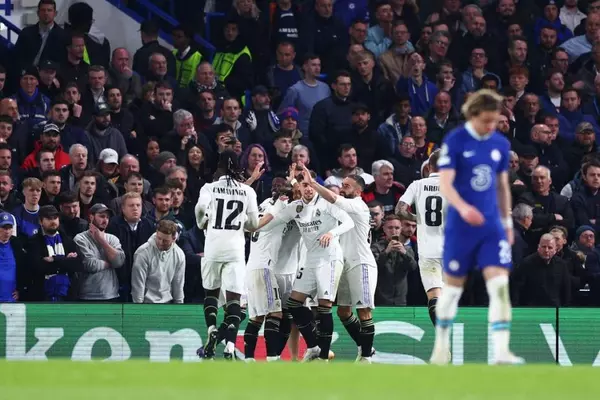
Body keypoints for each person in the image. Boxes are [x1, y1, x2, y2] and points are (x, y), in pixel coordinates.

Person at [431, 89, 523, 365]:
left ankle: (501, 351)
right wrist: (463, 208)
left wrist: (507, 222)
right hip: (461, 227)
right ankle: (441, 346)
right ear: (473, 115)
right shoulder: (455, 140)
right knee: (452, 290)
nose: (491, 126)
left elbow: (502, 186)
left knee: (499, 285)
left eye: (495, 120)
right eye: (486, 120)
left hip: (491, 227)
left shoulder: (500, 143)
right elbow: (445, 184)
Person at [252, 167, 354, 362]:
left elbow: (348, 222)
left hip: (330, 258)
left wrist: (331, 233)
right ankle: (314, 346)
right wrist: (250, 226)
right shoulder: (295, 207)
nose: (308, 189)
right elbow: (270, 223)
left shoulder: (326, 203)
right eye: (304, 185)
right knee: (293, 304)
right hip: (311, 261)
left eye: (311, 185)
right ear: (298, 186)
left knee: (324, 306)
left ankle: (323, 357)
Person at [302, 165, 377, 363]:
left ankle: (366, 358)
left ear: (358, 191)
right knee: (343, 311)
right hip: (343, 263)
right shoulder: (340, 208)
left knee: (364, 311)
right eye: (342, 185)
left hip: (361, 263)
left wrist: (312, 183)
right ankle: (365, 346)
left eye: (347, 186)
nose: (342, 188)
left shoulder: (358, 205)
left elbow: (333, 198)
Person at [195, 150, 260, 360]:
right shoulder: (247, 191)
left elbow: (201, 207)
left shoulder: (209, 187)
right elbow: (254, 223)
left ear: (219, 166)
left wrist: (202, 222)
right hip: (235, 250)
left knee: (211, 294)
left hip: (213, 248)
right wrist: (243, 224)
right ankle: (230, 346)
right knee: (234, 299)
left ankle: (211, 328)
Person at [396, 149, 445, 326]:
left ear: (429, 167)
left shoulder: (417, 185)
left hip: (427, 249)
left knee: (434, 296)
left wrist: (418, 218)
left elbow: (399, 210)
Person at [242, 186, 290, 362]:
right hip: (265, 269)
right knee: (275, 313)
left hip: (251, 268)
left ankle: (248, 359)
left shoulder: (263, 204)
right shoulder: (280, 208)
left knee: (256, 318)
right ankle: (272, 358)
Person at [74, 203, 125, 301]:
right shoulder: (80, 238)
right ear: (91, 217)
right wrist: (110, 263)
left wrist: (102, 241)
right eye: (102, 216)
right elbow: (90, 264)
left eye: (107, 217)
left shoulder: (113, 239)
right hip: (88, 295)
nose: (105, 220)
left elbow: (119, 262)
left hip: (111, 294)